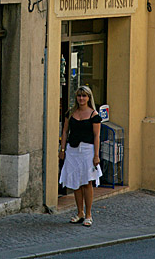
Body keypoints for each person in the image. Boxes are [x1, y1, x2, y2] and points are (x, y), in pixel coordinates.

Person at [59, 85, 102, 227]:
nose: (81, 98)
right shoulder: (70, 113)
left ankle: (89, 214)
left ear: (89, 98)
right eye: (79, 96)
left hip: (87, 151)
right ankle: (79, 213)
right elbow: (65, 131)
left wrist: (96, 155)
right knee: (75, 182)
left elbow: (97, 136)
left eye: (84, 96)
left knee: (86, 182)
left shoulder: (94, 115)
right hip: (72, 150)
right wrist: (62, 149)